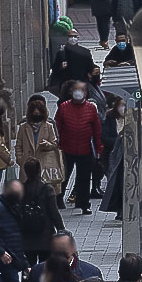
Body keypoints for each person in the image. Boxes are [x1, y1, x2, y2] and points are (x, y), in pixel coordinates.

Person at [54, 81, 103, 214]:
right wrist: (57, 145)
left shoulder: (90, 108)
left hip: (85, 148)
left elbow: (96, 130)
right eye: (76, 89)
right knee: (64, 175)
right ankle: (59, 198)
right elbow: (57, 127)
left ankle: (83, 203)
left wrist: (99, 148)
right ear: (71, 91)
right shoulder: (64, 107)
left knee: (84, 178)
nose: (78, 92)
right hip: (66, 148)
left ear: (86, 93)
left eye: (81, 90)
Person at [19, 159, 66, 266]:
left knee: (30, 266)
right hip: (45, 233)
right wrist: (61, 229)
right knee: (46, 266)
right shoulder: (47, 188)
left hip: (27, 235)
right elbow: (54, 211)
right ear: (39, 170)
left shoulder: (22, 188)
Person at [15, 97, 64, 195]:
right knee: (28, 190)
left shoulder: (49, 126)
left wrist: (47, 144)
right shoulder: (23, 127)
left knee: (44, 189)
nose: (36, 115)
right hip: (28, 164)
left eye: (39, 113)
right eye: (34, 113)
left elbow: (54, 143)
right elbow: (18, 145)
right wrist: (20, 159)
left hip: (44, 163)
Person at [25, 230, 104, 282]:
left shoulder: (91, 272)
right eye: (56, 249)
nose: (60, 251)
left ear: (73, 248)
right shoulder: (38, 271)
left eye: (63, 248)